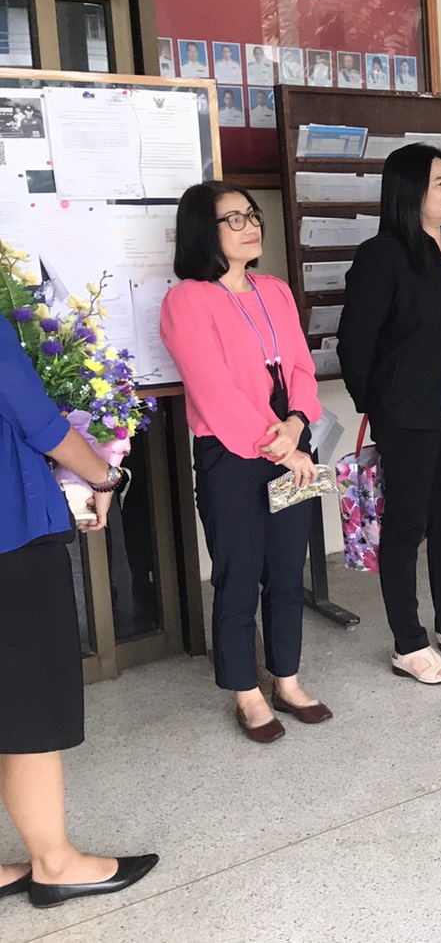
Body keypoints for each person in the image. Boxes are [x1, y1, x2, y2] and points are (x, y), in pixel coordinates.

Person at [160, 182, 331, 742]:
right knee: (237, 576)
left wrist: (297, 425)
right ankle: (246, 692)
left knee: (286, 569)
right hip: (232, 455)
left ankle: (287, 679)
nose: (250, 225)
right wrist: (281, 443)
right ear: (203, 231)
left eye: (251, 215)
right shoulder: (188, 300)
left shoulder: (274, 289)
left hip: (293, 445)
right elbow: (212, 390)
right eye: (233, 219)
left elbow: (301, 367)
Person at [0, 324, 158, 908]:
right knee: (28, 707)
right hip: (9, 532)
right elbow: (37, 419)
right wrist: (103, 474)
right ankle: (56, 864)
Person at [338, 144, 441, 685]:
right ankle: (408, 642)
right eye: (438, 182)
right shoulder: (383, 255)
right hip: (409, 415)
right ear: (409, 192)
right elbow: (355, 344)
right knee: (406, 526)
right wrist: (381, 406)